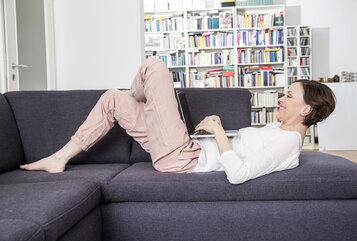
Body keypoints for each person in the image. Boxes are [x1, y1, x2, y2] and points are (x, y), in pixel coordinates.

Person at [19, 58, 336, 184]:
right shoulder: (276, 130)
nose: (281, 98)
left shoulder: (288, 142)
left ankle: (140, 93)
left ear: (306, 110)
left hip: (184, 159)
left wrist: (216, 132)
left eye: (289, 96)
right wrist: (216, 128)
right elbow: (241, 147)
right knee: (113, 98)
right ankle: (59, 158)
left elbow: (239, 175)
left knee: (153, 67)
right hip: (184, 148)